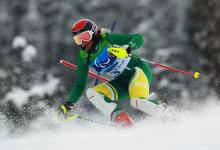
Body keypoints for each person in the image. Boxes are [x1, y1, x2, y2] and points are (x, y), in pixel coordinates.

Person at [60, 19, 164, 126]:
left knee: (137, 102)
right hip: (121, 82)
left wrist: (127, 48)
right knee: (92, 93)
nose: (83, 43)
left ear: (94, 33)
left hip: (138, 71)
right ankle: (122, 120)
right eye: (78, 39)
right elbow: (79, 84)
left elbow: (138, 38)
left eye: (85, 37)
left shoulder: (107, 39)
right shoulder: (83, 57)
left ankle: (169, 114)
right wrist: (69, 103)